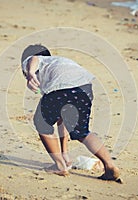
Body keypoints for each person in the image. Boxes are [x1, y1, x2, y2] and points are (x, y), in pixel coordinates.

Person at [21, 44, 121, 182]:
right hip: (85, 88)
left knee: (42, 123)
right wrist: (65, 153)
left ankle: (59, 165)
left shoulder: (35, 62)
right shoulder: (58, 64)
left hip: (62, 89)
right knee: (82, 133)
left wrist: (30, 72)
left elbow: (34, 59)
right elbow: (61, 120)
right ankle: (110, 166)